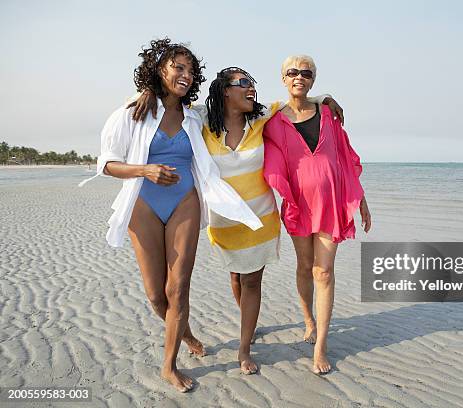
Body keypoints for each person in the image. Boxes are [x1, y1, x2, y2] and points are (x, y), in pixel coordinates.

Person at [131, 66, 344, 375]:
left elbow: (296, 102)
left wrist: (325, 98)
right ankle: (243, 320)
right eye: (243, 83)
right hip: (224, 220)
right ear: (224, 91)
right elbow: (173, 102)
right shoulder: (203, 120)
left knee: (252, 280)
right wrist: (149, 91)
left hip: (260, 218)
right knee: (236, 277)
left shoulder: (260, 117)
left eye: (252, 84)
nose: (250, 89)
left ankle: (244, 348)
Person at [79, 39, 262, 391]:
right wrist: (144, 170)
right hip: (143, 202)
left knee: (178, 288)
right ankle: (188, 335)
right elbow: (106, 164)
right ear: (159, 69)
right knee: (155, 295)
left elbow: (236, 110)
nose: (186, 75)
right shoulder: (132, 112)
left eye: (191, 71)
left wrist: (318, 101)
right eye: (178, 67)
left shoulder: (195, 117)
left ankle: (169, 365)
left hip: (185, 201)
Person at [263, 55, 371, 374]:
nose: (299, 77)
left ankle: (321, 346)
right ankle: (308, 319)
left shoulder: (327, 112)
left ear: (313, 79)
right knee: (304, 266)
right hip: (298, 204)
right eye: (292, 72)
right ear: (283, 78)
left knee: (323, 272)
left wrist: (360, 199)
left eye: (306, 73)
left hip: (331, 203)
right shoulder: (272, 119)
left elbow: (345, 158)